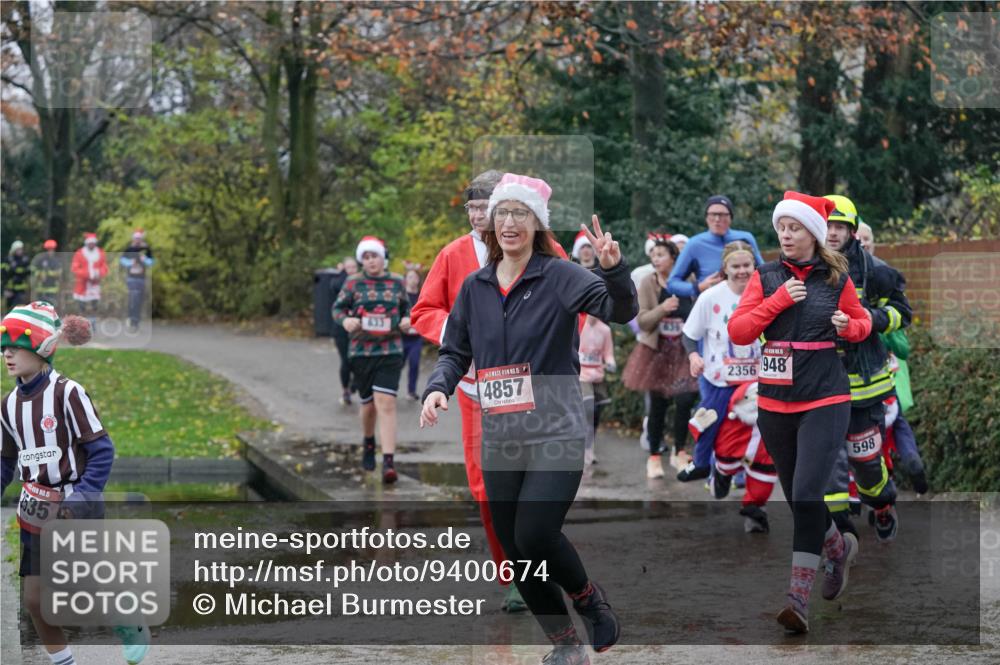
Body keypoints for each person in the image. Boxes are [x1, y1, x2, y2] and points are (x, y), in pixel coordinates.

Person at [420, 173, 636, 665]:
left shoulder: (559, 275)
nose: (509, 222)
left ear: (537, 224)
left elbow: (619, 310)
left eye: (520, 214)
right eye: (502, 214)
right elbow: (455, 352)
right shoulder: (474, 287)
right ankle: (565, 645)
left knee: (535, 534)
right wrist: (437, 390)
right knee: (516, 551)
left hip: (556, 428)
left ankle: (588, 599)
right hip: (502, 431)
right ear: (489, 225)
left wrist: (614, 269)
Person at [411, 169, 568, 614]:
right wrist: (459, 333)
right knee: (486, 486)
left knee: (534, 485)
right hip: (476, 388)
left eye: (489, 207)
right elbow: (424, 310)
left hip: (534, 387)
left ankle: (537, 565)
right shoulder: (454, 253)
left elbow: (574, 307)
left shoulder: (546, 251)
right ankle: (514, 573)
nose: (481, 216)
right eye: (473, 208)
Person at [729, 191, 872, 634]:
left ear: (812, 232)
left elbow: (863, 322)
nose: (785, 235)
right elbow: (739, 330)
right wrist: (778, 302)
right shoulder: (767, 276)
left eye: (793, 228)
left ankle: (796, 599)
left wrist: (852, 327)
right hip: (774, 401)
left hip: (826, 397)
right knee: (797, 500)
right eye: (781, 228)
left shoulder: (836, 277)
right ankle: (836, 549)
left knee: (809, 493)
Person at [1, 301, 150, 665]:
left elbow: (102, 451)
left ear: (43, 349)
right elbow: (6, 460)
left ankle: (129, 619)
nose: (7, 354)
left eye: (16, 347)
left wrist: (84, 495)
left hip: (74, 505)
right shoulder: (7, 407)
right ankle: (63, 661)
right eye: (3, 347)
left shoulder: (68, 393)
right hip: (34, 510)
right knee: (36, 600)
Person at [822, 194, 912, 544]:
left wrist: (867, 319)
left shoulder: (875, 271)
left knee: (867, 463)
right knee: (828, 462)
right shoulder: (804, 269)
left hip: (865, 385)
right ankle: (840, 528)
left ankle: (882, 504)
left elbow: (902, 314)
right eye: (827, 225)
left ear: (852, 230)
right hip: (821, 385)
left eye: (839, 226)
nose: (832, 233)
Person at [682, 241, 762, 489]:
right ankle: (703, 463)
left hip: (756, 378)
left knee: (749, 429)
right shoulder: (710, 297)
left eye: (746, 265)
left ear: (754, 266)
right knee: (710, 420)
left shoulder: (766, 294)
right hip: (718, 376)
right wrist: (694, 357)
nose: (741, 271)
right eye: (735, 266)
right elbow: (690, 334)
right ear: (724, 268)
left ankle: (743, 476)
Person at [332, 236, 409, 484]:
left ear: (382, 257)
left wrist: (408, 321)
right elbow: (337, 309)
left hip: (391, 350)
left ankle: (388, 461)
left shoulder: (397, 282)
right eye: (365, 257)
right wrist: (345, 320)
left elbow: (410, 309)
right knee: (369, 406)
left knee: (386, 402)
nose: (370, 261)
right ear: (361, 260)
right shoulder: (353, 283)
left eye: (374, 256)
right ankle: (368, 441)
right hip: (362, 352)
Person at [622, 235, 699, 479]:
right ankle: (654, 456)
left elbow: (698, 314)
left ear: (674, 257)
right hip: (657, 351)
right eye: (653, 255)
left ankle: (679, 450)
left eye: (661, 255)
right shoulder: (647, 282)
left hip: (685, 351)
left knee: (686, 400)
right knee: (658, 405)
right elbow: (643, 321)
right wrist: (662, 309)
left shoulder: (690, 281)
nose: (656, 259)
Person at [688, 381, 776, 532]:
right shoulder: (725, 398)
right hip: (732, 448)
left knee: (761, 483)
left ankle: (754, 510)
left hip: (761, 454)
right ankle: (722, 477)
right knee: (726, 465)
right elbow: (702, 421)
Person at [668, 195, 764, 298]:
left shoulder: (746, 238)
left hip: (747, 301)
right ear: (706, 217)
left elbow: (765, 273)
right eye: (713, 214)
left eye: (722, 214)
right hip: (712, 304)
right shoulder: (694, 244)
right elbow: (672, 283)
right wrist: (699, 287)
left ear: (730, 217)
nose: (717, 219)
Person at [578, 313, 616, 465]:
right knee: (588, 408)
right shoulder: (578, 326)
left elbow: (608, 353)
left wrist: (611, 362)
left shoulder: (605, 330)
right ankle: (582, 447)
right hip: (581, 375)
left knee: (596, 413)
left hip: (597, 376)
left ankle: (589, 448)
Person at [330, 256, 360, 405]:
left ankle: (354, 384)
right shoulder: (340, 281)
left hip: (358, 329)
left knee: (358, 359)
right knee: (346, 360)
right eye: (349, 268)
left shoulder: (362, 282)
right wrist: (341, 273)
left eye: (354, 267)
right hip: (341, 329)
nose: (352, 270)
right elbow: (335, 286)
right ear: (344, 268)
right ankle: (345, 390)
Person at [120, 230, 154, 332]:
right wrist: (131, 262)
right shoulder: (129, 249)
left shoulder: (146, 249)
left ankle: (136, 321)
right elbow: (122, 260)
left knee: (139, 300)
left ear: (141, 239)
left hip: (141, 279)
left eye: (139, 239)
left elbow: (151, 261)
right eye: (136, 238)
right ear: (133, 239)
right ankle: (131, 319)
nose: (137, 240)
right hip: (131, 278)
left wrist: (145, 260)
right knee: (132, 299)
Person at [71, 233, 108, 325]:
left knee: (94, 305)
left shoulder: (100, 253)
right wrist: (86, 274)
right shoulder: (80, 253)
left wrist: (98, 273)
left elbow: (104, 267)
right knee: (82, 306)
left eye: (93, 243)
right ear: (87, 243)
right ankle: (82, 324)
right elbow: (75, 268)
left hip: (94, 284)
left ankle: (93, 323)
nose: (92, 245)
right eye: (90, 243)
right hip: (82, 284)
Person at [401, 267, 424, 400]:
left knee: (414, 363)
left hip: (416, 337)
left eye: (415, 277)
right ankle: (391, 389)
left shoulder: (422, 296)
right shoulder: (401, 296)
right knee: (399, 364)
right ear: (405, 280)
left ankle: (411, 391)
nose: (413, 280)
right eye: (410, 277)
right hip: (402, 336)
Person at [31, 240, 64, 311]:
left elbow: (59, 273)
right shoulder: (40, 259)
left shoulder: (56, 260)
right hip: (41, 288)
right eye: (48, 249)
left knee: (51, 306)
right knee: (40, 306)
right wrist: (40, 274)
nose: (50, 251)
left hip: (52, 287)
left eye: (51, 249)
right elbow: (33, 270)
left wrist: (48, 273)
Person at [3, 240, 31, 307]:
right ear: (14, 250)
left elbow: (28, 273)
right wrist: (5, 289)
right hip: (10, 290)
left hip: (21, 291)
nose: (20, 251)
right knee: (9, 309)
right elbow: (4, 275)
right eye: (18, 249)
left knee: (18, 307)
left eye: (21, 249)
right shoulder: (8, 259)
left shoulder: (25, 260)